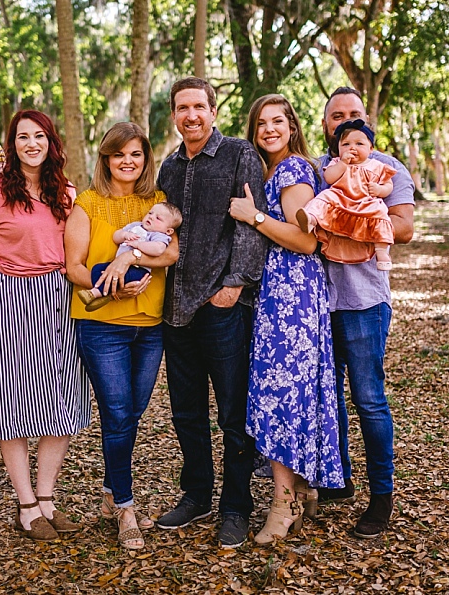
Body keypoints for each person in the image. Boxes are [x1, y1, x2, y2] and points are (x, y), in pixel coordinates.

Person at [0, 110, 90, 542]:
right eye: (22, 136)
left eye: (39, 135)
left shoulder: (65, 193)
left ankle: (47, 500)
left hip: (58, 302)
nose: (31, 143)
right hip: (7, 300)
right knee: (15, 407)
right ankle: (26, 505)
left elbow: (79, 253)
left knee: (62, 405)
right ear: (11, 143)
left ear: (51, 142)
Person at [153, 76, 269, 548]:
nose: (191, 115)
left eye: (198, 106)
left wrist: (234, 285)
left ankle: (236, 506)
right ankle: (197, 493)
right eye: (182, 108)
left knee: (232, 415)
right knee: (186, 413)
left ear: (213, 110)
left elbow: (249, 224)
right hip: (176, 309)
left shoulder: (240, 155)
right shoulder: (169, 168)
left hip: (222, 308)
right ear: (175, 115)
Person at [226, 94, 345, 544]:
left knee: (282, 395)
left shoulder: (294, 170)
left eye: (278, 121)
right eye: (261, 124)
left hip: (292, 295)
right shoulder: (273, 170)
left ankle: (283, 504)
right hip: (279, 294)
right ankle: (301, 490)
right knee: (290, 392)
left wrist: (253, 215)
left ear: (292, 126)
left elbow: (305, 240)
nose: (269, 130)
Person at [63, 122, 179, 550]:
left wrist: (125, 258)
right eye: (118, 154)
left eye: (135, 154)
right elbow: (72, 266)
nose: (127, 161)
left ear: (146, 158)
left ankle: (111, 495)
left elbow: (170, 251)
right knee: (116, 414)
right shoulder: (87, 204)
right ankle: (126, 507)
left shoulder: (158, 202)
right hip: (101, 326)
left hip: (149, 325)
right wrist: (107, 277)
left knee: (131, 414)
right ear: (106, 159)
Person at [314, 86, 416, 538]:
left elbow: (403, 228)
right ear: (326, 126)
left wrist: (342, 222)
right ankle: (340, 478)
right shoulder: (318, 169)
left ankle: (382, 496)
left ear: (367, 123)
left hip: (363, 301)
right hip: (315, 301)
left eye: (353, 114)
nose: (345, 121)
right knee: (327, 394)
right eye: (337, 116)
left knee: (368, 398)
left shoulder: (387, 168)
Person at [297, 119, 396, 270]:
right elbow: (329, 178)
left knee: (381, 213)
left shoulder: (377, 166)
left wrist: (380, 190)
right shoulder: (337, 162)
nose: (352, 148)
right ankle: (310, 219)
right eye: (346, 144)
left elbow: (389, 185)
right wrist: (342, 164)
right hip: (340, 199)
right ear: (338, 148)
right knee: (324, 197)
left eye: (359, 144)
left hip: (365, 203)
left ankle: (382, 252)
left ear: (371, 148)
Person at [75, 200, 181, 312]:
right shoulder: (136, 226)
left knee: (120, 278)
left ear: (169, 231)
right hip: (116, 266)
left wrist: (138, 245)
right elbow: (115, 237)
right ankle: (103, 296)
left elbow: (158, 250)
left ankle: (94, 293)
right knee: (97, 269)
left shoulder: (159, 236)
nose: (151, 217)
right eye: (150, 213)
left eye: (158, 218)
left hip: (138, 270)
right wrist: (125, 235)